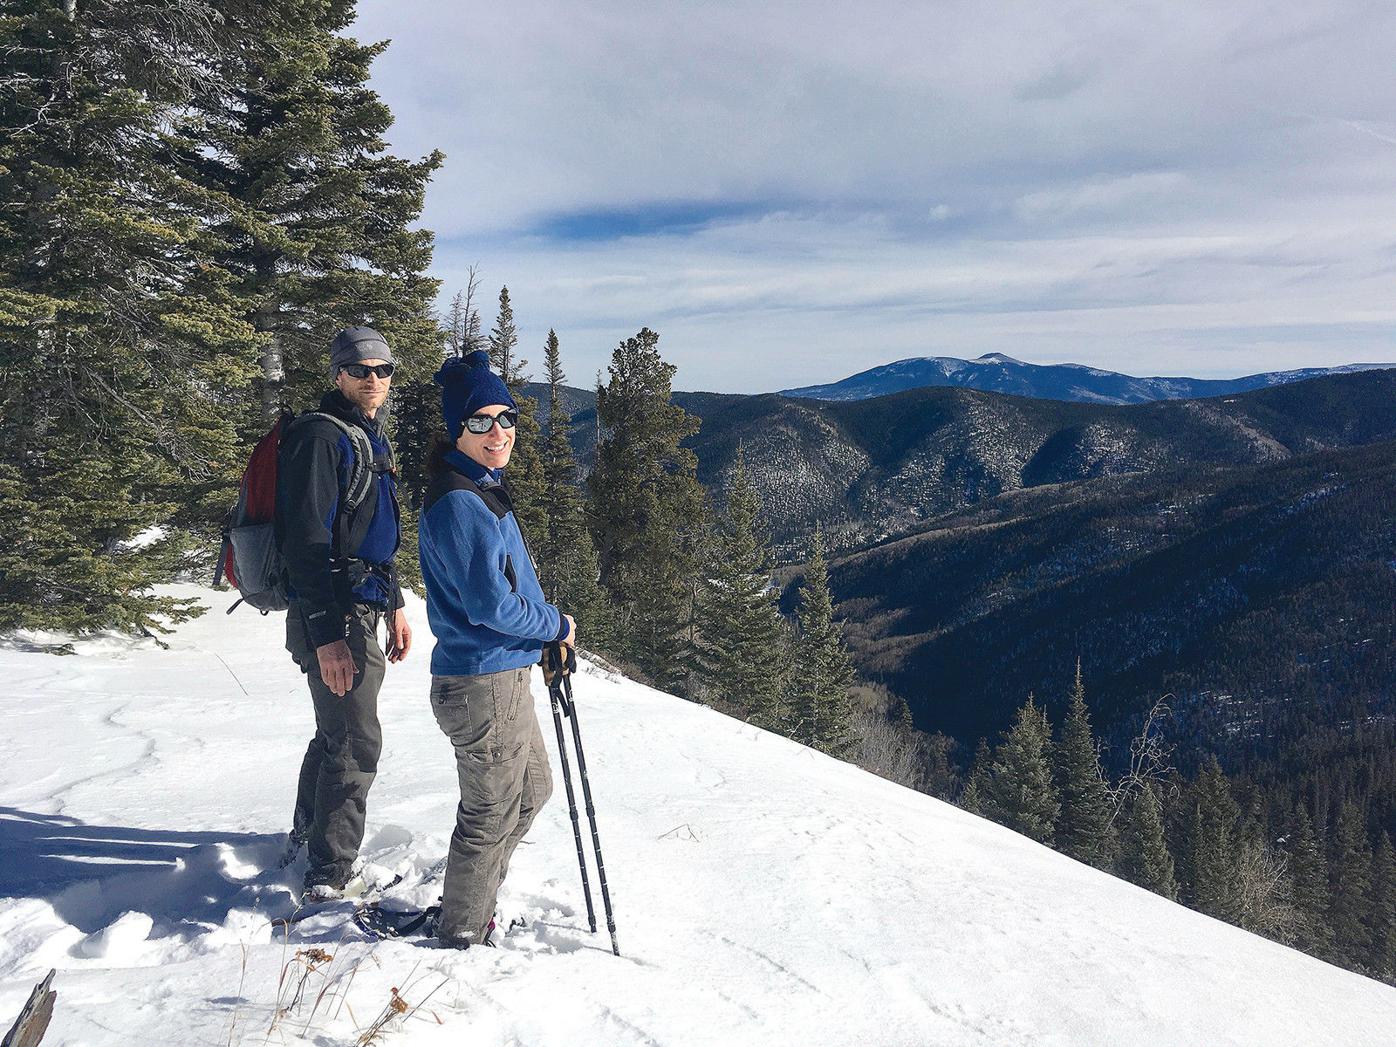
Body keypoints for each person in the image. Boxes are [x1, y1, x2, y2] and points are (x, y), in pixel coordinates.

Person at [418, 349, 574, 948]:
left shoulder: (481, 489)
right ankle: (461, 932)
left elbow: (506, 590)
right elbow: (491, 606)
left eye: (506, 418)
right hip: (481, 682)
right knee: (489, 814)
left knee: (531, 791)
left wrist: (542, 637)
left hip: (503, 675)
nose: (498, 432)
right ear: (457, 429)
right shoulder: (461, 501)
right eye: (480, 421)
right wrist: (555, 626)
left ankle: (475, 903)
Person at [275, 326, 413, 901]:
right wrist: (327, 636)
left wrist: (396, 602)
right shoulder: (321, 438)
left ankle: (306, 839)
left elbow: (372, 533)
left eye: (383, 370)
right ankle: (328, 876)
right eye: (360, 370)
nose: (373, 379)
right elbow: (305, 543)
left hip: (363, 604)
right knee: (355, 743)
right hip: (334, 612)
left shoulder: (366, 435)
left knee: (336, 733)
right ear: (338, 375)